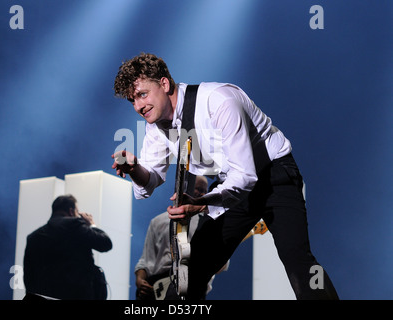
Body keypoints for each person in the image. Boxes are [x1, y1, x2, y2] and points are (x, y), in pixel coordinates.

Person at [111, 53, 339, 300]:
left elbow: (246, 175)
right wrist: (134, 169)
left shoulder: (219, 100)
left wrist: (199, 204)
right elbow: (150, 180)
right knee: (191, 272)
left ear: (164, 84)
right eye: (132, 100)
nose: (138, 106)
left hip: (274, 177)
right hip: (230, 184)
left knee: (297, 261)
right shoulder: (156, 126)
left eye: (142, 94)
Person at [135, 176, 228, 300]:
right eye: (197, 189)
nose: (201, 194)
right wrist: (140, 280)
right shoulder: (157, 221)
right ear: (184, 190)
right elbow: (145, 260)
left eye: (204, 191)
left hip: (192, 288)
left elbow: (220, 265)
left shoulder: (208, 223)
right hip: (155, 287)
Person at [23, 194, 112, 300]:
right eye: (77, 212)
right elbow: (105, 243)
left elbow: (28, 275)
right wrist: (91, 224)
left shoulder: (33, 237)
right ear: (71, 211)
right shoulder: (74, 224)